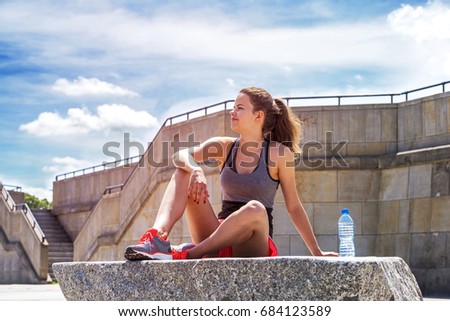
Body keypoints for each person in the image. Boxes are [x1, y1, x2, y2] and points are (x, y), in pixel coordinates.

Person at [124, 87, 339, 260]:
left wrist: (316, 252)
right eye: (233, 107)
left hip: (252, 241)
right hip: (216, 236)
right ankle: (156, 239)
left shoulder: (279, 154)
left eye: (240, 108)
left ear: (258, 115)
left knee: (255, 208)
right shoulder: (224, 146)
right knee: (183, 172)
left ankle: (188, 254)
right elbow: (180, 155)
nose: (232, 112)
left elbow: (294, 207)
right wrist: (196, 170)